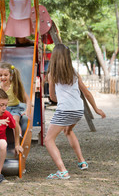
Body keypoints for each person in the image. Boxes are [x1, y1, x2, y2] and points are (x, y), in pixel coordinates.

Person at [45, 44, 106, 180]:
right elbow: (87, 93)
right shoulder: (74, 73)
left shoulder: (52, 74)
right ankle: (82, 161)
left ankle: (62, 171)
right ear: (67, 58)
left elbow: (52, 97)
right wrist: (96, 109)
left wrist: (59, 98)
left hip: (65, 110)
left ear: (54, 58)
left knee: (48, 140)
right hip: (78, 110)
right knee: (68, 131)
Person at [0, 62, 32, 136]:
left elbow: (28, 100)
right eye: (0, 75)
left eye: (6, 75)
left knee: (14, 122)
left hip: (15, 109)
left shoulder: (14, 86)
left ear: (11, 75)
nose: (3, 77)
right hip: (3, 110)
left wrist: (27, 111)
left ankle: (19, 138)